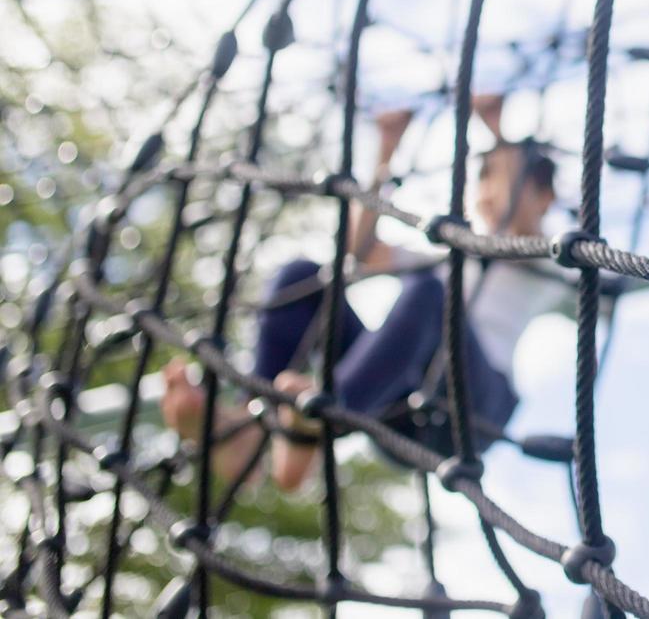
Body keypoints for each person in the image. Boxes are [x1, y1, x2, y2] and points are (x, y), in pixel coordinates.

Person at [161, 95, 568, 491]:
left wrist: (495, 129)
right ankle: (255, 421)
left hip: (470, 414)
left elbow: (516, 225)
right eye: (484, 177)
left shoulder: (548, 260)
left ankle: (321, 416)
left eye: (499, 177)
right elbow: (361, 251)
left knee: (429, 295)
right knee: (301, 278)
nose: (489, 191)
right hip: (398, 404)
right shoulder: (449, 258)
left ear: (545, 198)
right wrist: (385, 153)